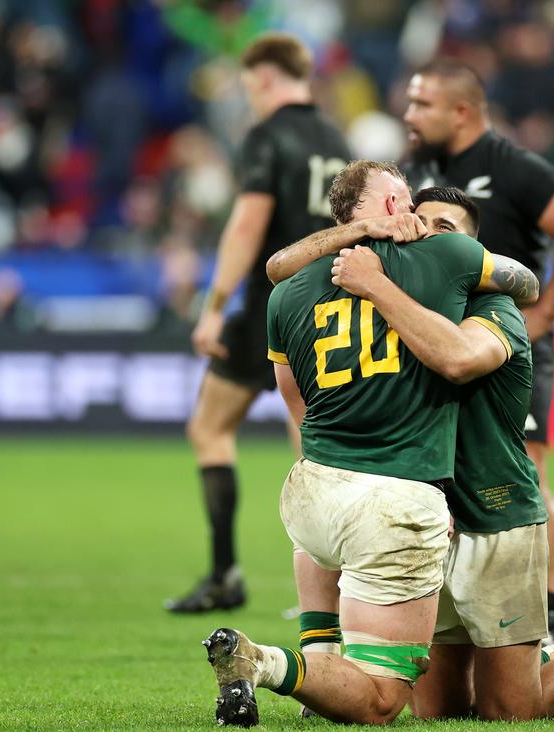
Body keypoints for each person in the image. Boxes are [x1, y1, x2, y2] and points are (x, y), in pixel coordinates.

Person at [282, 184, 554, 721]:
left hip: (495, 517)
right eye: (422, 222)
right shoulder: (387, 310)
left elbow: (456, 359)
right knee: (443, 711)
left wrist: (378, 285)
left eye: (446, 230)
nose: (428, 236)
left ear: (471, 250)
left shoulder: (494, 310)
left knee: (510, 710)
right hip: (424, 521)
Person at [202, 160, 541, 727]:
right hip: (399, 498)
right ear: (388, 206)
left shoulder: (286, 294)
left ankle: (319, 662)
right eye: (406, 202)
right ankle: (265, 664)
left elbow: (295, 401)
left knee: (445, 700)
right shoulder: (444, 258)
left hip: (315, 488)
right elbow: (526, 284)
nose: (415, 219)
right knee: (386, 697)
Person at [402, 59, 554, 633]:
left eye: (422, 104)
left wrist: (541, 317)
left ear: (462, 111)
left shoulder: (511, 166)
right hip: (441, 343)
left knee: (526, 476)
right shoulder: (419, 168)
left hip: (507, 347)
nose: (409, 114)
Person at [165, 34, 351, 613]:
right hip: (333, 303)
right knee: (313, 440)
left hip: (272, 303)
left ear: (266, 78)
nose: (249, 97)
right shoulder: (337, 138)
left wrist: (214, 303)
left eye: (249, 86)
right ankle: (341, 584)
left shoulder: (267, 137)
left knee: (211, 428)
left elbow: (248, 225)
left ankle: (225, 575)